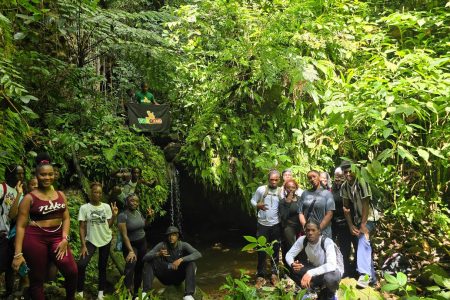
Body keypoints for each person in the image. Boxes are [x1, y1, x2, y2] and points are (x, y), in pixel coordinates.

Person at [12, 155, 78, 300]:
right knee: (37, 280)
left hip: (57, 238)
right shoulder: (29, 198)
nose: (47, 177)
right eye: (43, 174)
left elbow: (66, 217)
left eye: (50, 174)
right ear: (37, 175)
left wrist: (65, 238)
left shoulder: (60, 195)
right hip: (35, 238)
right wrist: (18, 254)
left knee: (72, 271)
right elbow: (21, 226)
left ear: (54, 174)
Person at [340, 160, 379, 288]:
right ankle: (373, 279)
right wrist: (351, 225)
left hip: (370, 218)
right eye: (345, 172)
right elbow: (346, 208)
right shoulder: (344, 186)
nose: (348, 174)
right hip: (357, 220)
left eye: (350, 171)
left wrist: (363, 224)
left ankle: (364, 274)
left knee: (363, 239)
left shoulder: (362, 182)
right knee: (363, 247)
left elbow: (366, 204)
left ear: (355, 171)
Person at [77, 182, 119, 300]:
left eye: (100, 192)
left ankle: (100, 294)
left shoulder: (106, 207)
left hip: (105, 239)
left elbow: (108, 225)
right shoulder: (84, 208)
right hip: (91, 240)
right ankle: (80, 292)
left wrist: (114, 216)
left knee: (102, 266)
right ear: (91, 193)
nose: (98, 194)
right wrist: (83, 245)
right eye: (95, 192)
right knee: (81, 264)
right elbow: (81, 227)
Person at [286, 219, 342, 300]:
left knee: (330, 278)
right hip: (315, 270)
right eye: (308, 230)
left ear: (319, 231)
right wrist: (292, 264)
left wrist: (310, 273)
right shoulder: (303, 240)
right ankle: (311, 289)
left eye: (313, 230)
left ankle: (331, 292)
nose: (310, 233)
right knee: (294, 268)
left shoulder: (327, 242)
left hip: (330, 272)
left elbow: (332, 265)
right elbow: (289, 254)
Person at [142, 226, 202, 300]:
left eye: (173, 235)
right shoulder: (162, 245)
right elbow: (145, 257)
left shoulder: (183, 245)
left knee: (191, 264)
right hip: (166, 275)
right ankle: (145, 293)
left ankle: (188, 295)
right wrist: (158, 254)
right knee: (149, 262)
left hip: (178, 276)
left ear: (178, 236)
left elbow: (198, 254)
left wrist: (181, 259)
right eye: (169, 235)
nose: (171, 237)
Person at [250, 170, 282, 286]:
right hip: (262, 224)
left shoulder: (281, 191)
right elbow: (252, 200)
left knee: (275, 249)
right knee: (261, 251)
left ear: (279, 180)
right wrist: (257, 205)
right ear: (268, 179)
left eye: (276, 179)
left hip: (276, 225)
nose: (273, 182)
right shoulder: (261, 190)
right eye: (271, 179)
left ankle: (274, 274)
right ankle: (261, 275)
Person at [118, 193, 154, 296]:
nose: (134, 203)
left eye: (136, 201)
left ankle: (136, 293)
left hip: (142, 243)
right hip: (130, 245)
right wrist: (130, 251)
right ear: (127, 202)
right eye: (132, 200)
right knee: (130, 266)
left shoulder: (138, 213)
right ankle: (126, 293)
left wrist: (148, 217)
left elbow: (144, 225)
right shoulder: (122, 216)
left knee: (140, 267)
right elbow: (124, 235)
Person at [0, 164, 24, 297]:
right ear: (9, 174)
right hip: (1, 233)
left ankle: (9, 293)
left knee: (10, 267)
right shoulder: (1, 188)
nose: (21, 176)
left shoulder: (19, 192)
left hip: (8, 235)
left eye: (22, 173)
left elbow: (13, 215)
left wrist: (19, 194)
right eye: (18, 173)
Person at [298, 170, 335, 239]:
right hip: (309, 233)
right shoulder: (305, 193)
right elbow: (300, 212)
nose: (312, 179)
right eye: (309, 178)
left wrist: (318, 230)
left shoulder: (327, 194)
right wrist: (306, 228)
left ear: (319, 177)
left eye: (314, 176)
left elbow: (329, 214)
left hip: (323, 232)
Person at [331, 167, 353, 277]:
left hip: (345, 222)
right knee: (331, 246)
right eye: (336, 176)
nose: (338, 178)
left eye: (340, 176)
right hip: (333, 223)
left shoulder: (347, 188)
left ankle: (347, 271)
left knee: (345, 248)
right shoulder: (332, 188)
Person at [278, 179, 302, 266]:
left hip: (300, 227)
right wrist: (288, 202)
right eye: (288, 188)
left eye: (293, 187)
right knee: (292, 247)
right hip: (289, 227)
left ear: (296, 188)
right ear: (285, 189)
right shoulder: (282, 202)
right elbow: (283, 216)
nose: (291, 189)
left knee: (302, 247)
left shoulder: (300, 199)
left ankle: (300, 267)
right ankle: (290, 268)